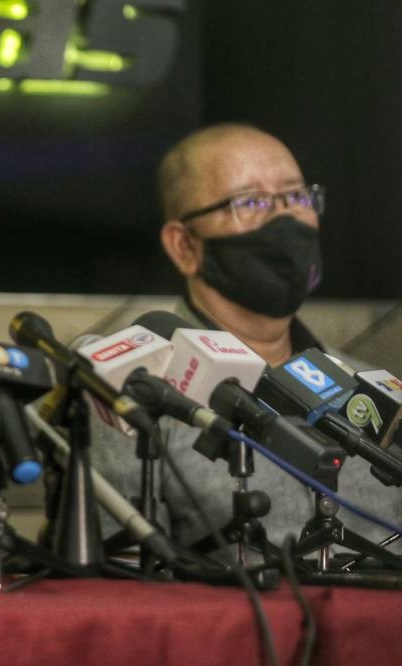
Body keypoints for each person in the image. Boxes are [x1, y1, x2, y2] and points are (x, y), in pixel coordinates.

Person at [92, 123, 402, 563]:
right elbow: (121, 583)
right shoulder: (132, 391)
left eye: (297, 197)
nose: (285, 219)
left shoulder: (371, 388)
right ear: (184, 246)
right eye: (251, 202)